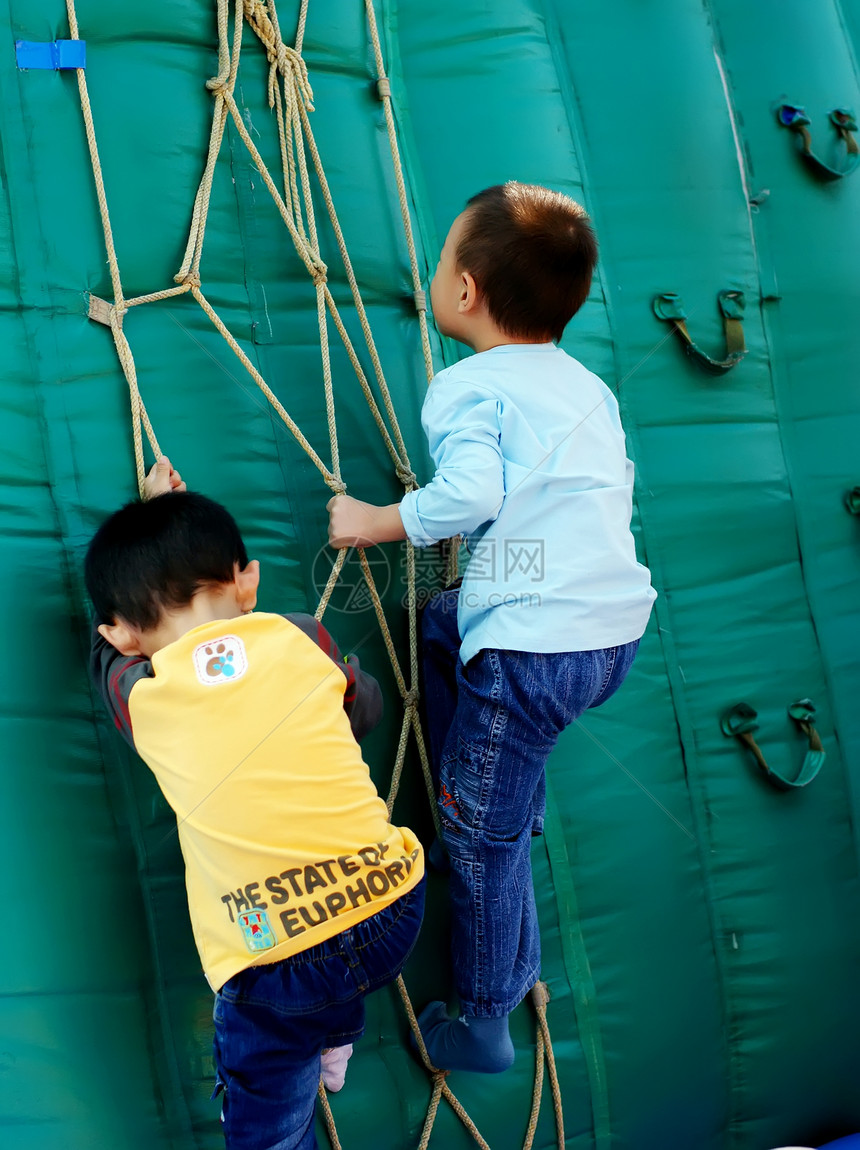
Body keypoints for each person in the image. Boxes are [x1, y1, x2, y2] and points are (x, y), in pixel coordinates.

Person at [326, 182, 656, 1073]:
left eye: (439, 264)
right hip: (608, 628)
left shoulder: (466, 386)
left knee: (477, 840)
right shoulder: (584, 385)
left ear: (464, 291)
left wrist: (373, 519)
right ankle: (489, 782)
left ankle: (481, 1020)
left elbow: (471, 495)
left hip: (535, 648)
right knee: (442, 620)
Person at [85, 457, 425, 1150]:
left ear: (120, 633)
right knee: (337, 967)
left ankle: (323, 1037)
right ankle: (336, 1033)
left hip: (274, 961)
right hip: (393, 903)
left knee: (267, 1113)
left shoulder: (144, 697)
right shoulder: (300, 637)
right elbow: (366, 707)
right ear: (248, 581)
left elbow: (106, 667)